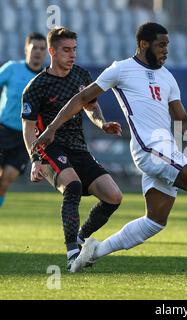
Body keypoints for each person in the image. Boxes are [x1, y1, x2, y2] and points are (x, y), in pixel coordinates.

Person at [31, 22, 187, 272]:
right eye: (161, 45)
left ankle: (94, 251)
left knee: (155, 221)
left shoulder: (167, 77)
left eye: (167, 45)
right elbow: (83, 98)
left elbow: (180, 117)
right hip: (148, 148)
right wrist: (52, 128)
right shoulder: (121, 69)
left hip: (165, 148)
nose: (165, 50)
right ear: (143, 44)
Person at [22, 27, 123, 270]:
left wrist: (102, 123)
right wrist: (35, 159)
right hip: (50, 147)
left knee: (114, 197)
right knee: (73, 186)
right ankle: (71, 252)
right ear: (52, 51)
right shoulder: (36, 87)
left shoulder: (81, 75)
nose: (72, 55)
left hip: (78, 148)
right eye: (66, 50)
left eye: (74, 50)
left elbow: (90, 106)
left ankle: (80, 236)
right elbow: (28, 128)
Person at [0, 32, 47, 208]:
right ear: (26, 49)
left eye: (42, 48)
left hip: (25, 137)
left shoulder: (46, 78)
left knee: (6, 180)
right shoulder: (12, 68)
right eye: (34, 47)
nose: (38, 52)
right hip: (3, 129)